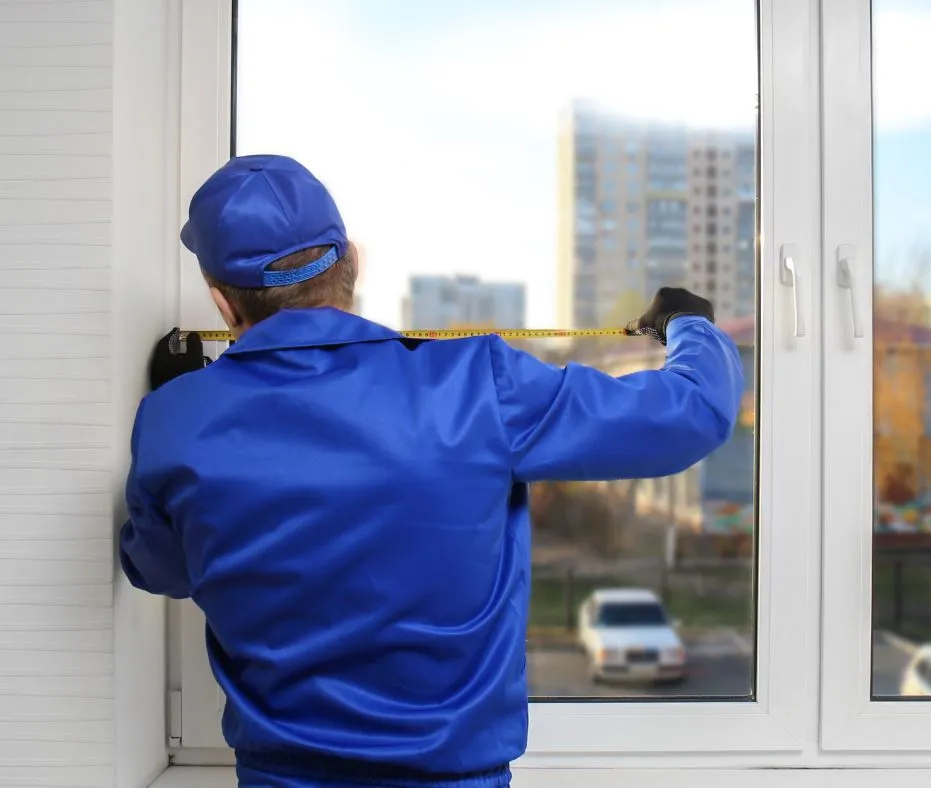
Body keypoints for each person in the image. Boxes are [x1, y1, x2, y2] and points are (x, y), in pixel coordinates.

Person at [119, 154, 744, 788]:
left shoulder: (175, 419)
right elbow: (691, 414)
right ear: (351, 264)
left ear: (222, 303)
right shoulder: (476, 385)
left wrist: (182, 411)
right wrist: (688, 325)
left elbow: (160, 569)